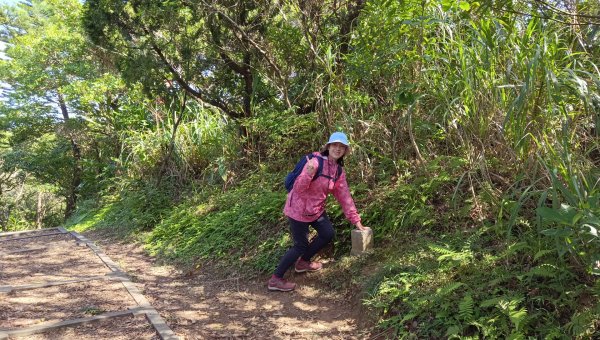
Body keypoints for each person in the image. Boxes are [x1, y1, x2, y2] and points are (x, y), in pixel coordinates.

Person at [268, 132, 368, 292]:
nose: (338, 149)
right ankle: (276, 279)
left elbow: (345, 197)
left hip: (316, 210)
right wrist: (308, 173)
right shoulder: (314, 163)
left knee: (327, 233)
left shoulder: (338, 171)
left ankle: (303, 263)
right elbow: (299, 189)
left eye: (342, 147)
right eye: (335, 145)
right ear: (328, 147)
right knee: (300, 245)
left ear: (345, 151)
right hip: (298, 209)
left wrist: (356, 221)